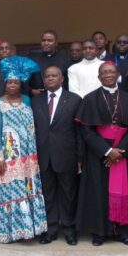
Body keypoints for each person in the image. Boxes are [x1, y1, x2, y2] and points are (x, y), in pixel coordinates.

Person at [76, 62, 128, 246]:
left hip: (122, 152)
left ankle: (123, 232)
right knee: (98, 193)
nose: (108, 75)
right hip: (99, 154)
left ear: (118, 74)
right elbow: (86, 130)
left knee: (123, 192)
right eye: (104, 72)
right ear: (99, 77)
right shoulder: (89, 99)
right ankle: (99, 232)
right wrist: (107, 151)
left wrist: (120, 151)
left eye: (111, 72)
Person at [0, 58, 47, 243]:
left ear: (20, 84)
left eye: (16, 82)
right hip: (9, 156)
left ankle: (28, 230)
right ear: (5, 84)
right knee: (10, 191)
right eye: (9, 82)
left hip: (28, 155)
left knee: (28, 189)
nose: (12, 85)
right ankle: (11, 231)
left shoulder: (27, 100)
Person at [32, 65, 82, 245]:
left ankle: (69, 229)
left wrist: (79, 158)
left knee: (68, 193)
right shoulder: (36, 101)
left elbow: (79, 132)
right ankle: (51, 229)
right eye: (47, 76)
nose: (50, 78)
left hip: (66, 155)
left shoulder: (75, 100)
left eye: (54, 76)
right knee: (48, 194)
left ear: (62, 79)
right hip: (43, 155)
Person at [30, 30, 72, 94]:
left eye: (50, 41)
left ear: (56, 43)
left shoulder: (65, 59)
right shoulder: (33, 60)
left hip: (61, 98)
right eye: (43, 40)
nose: (46, 43)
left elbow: (69, 81)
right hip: (39, 98)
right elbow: (26, 81)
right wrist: (31, 90)